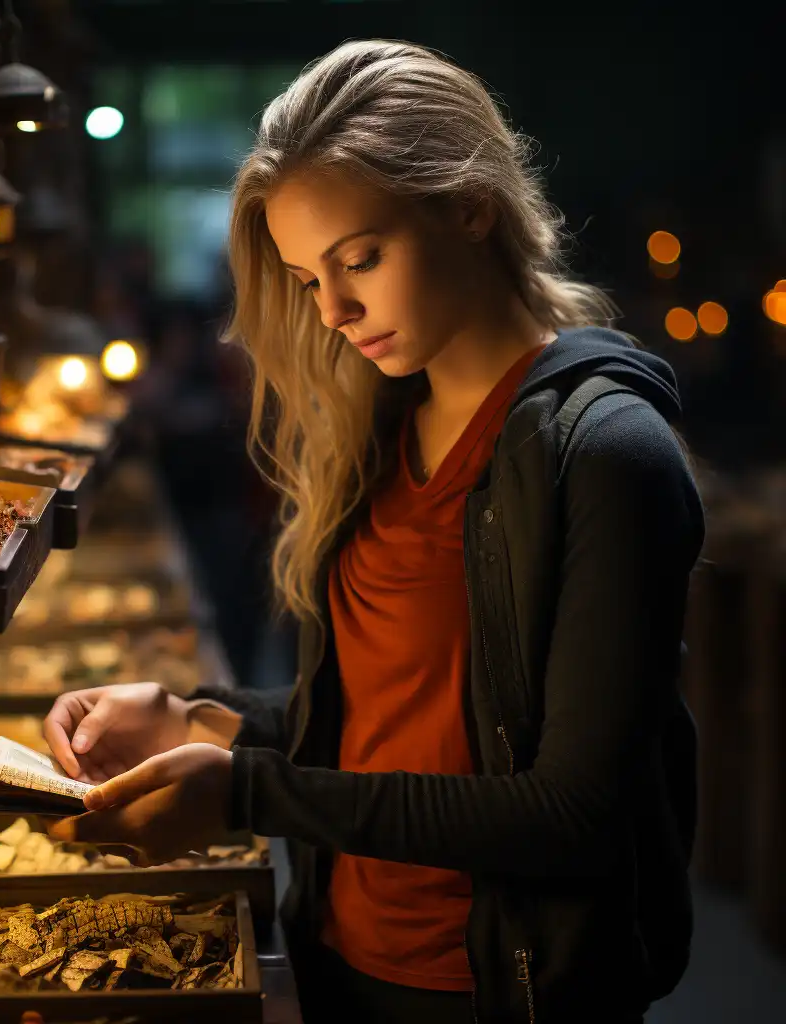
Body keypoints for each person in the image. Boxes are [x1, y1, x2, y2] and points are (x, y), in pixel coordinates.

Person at [44, 40, 704, 1024]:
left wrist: (245, 792)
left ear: (470, 206)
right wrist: (196, 717)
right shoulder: (383, 423)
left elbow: (575, 813)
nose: (337, 310)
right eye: (308, 279)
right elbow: (396, 720)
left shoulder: (606, 453)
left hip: (494, 986)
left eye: (359, 260)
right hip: (340, 948)